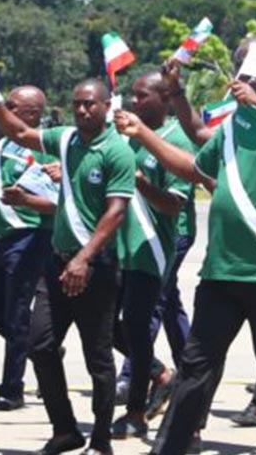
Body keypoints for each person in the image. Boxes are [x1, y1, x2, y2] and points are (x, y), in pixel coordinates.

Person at [115, 38, 256, 455]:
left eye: (246, 66)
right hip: (222, 269)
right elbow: (195, 166)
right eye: (238, 65)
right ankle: (170, 446)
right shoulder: (233, 122)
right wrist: (145, 133)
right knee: (196, 366)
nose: (238, 74)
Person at [0, 80, 136, 455]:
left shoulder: (117, 152)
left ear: (107, 106)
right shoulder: (65, 139)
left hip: (97, 267)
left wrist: (84, 258)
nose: (82, 110)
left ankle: (101, 440)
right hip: (58, 264)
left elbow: (116, 211)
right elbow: (19, 131)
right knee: (40, 345)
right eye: (76, 104)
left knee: (98, 358)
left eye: (90, 104)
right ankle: (65, 430)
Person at [110, 72, 194, 441]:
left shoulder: (176, 140)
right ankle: (164, 373)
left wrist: (143, 183)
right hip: (120, 244)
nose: (133, 101)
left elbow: (175, 205)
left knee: (140, 320)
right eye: (132, 94)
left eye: (142, 95)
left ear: (164, 98)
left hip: (158, 245)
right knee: (109, 321)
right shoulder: (122, 138)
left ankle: (136, 412)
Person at [0, 86, 56, 413]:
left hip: (30, 236)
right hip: (3, 236)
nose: (5, 110)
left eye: (13, 106)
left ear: (33, 114)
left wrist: (26, 201)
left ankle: (12, 390)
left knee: (16, 313)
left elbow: (57, 201)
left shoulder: (42, 147)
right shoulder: (5, 142)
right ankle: (33, 348)